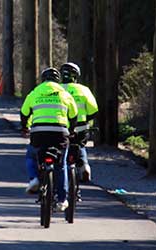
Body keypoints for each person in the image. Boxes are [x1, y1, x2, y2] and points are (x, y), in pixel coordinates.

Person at [20, 68, 78, 212]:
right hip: (60, 133)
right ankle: (62, 200)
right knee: (61, 165)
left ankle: (34, 179)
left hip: (39, 132)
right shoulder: (64, 93)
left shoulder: (35, 92)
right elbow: (74, 114)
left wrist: (25, 128)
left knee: (31, 155)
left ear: (43, 79)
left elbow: (24, 112)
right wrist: (71, 130)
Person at [59, 62, 98, 182]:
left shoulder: (57, 90)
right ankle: (84, 166)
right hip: (80, 126)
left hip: (62, 127)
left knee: (60, 150)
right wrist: (85, 120)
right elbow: (94, 110)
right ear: (76, 76)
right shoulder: (83, 90)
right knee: (80, 145)